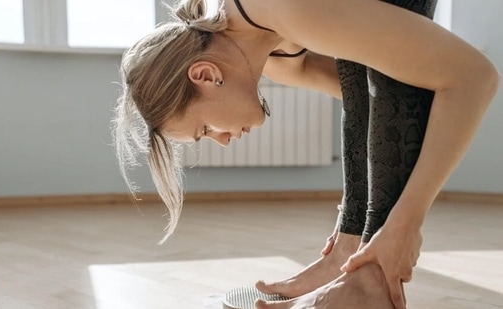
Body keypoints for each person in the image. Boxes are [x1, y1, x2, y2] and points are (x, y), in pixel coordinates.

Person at [112, 0, 499, 308]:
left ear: (206, 76)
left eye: (204, 130)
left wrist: (404, 224)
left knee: (389, 71)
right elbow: (368, 96)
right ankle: (351, 256)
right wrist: (352, 230)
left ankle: (371, 279)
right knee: (370, 72)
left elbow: (473, 77)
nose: (223, 139)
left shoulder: (285, 6)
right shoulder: (277, 52)